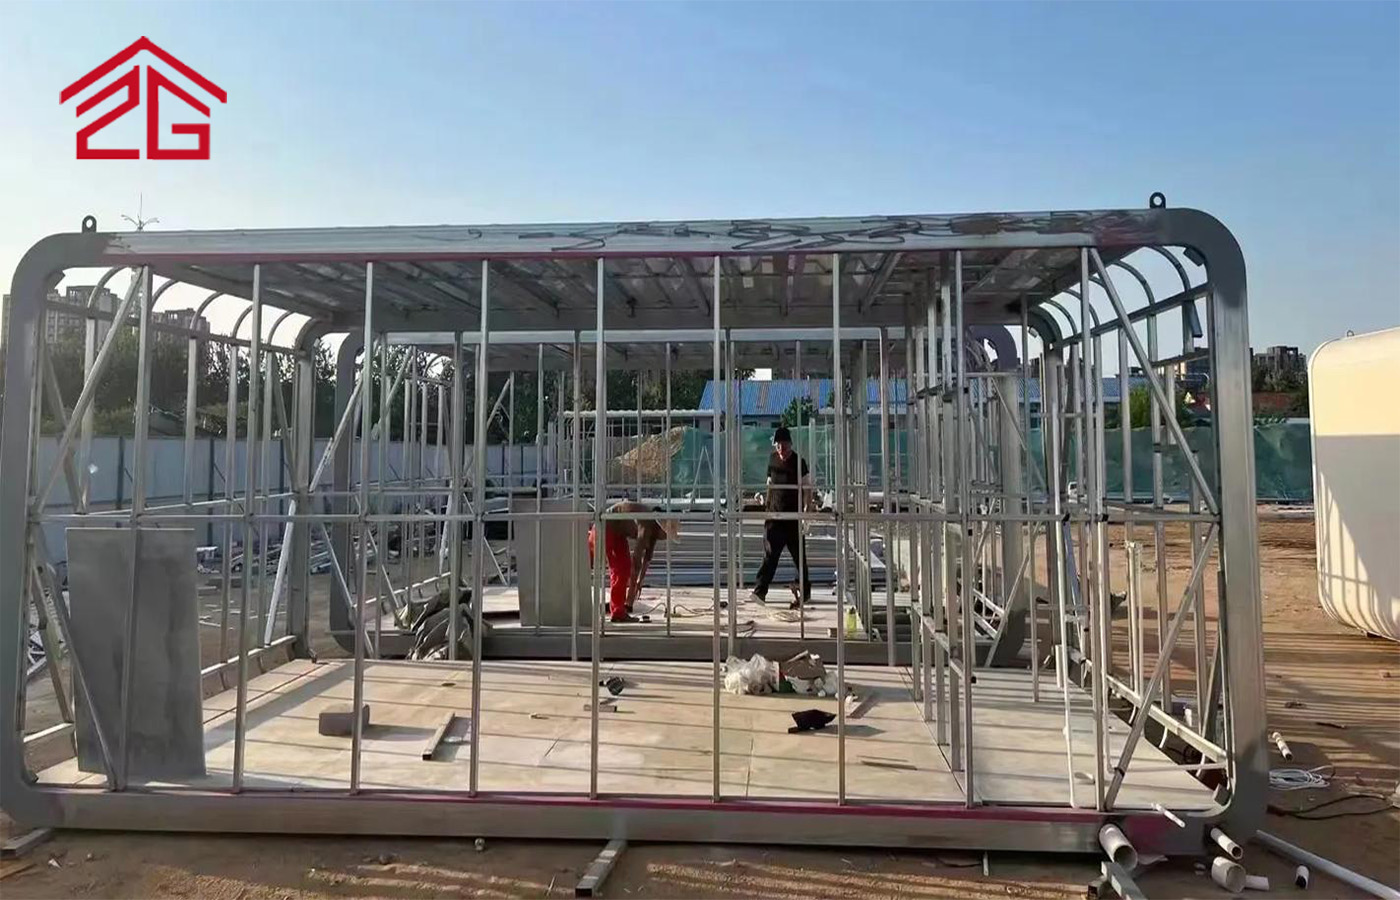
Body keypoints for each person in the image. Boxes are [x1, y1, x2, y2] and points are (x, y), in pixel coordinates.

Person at [750, 426, 814, 608]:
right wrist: (766, 504)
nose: (781, 450)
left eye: (784, 446)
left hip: (793, 517)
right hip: (775, 516)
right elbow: (769, 484)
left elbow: (807, 487)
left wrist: (806, 510)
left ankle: (805, 592)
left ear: (790, 445)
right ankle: (760, 591)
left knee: (799, 557)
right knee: (769, 555)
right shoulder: (772, 460)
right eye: (778, 446)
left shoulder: (799, 462)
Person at [588, 500, 678, 623]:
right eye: (667, 534)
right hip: (605, 526)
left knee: (623, 569)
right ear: (662, 528)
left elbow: (647, 557)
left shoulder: (654, 531)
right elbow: (637, 559)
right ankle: (616, 610)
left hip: (618, 533)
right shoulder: (647, 525)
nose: (666, 538)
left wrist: (640, 581)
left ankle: (618, 610)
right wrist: (631, 596)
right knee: (612, 567)